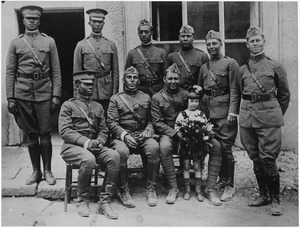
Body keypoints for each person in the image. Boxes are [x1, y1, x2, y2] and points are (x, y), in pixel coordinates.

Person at [6, 5, 61, 186]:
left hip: (45, 92)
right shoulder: (16, 43)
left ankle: (48, 170)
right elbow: (10, 72)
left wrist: (56, 95)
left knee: (45, 133)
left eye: (35, 19)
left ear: (39, 20)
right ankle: (35, 171)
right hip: (22, 93)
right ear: (23, 20)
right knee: (30, 134)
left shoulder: (49, 42)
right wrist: (10, 97)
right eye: (28, 18)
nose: (31, 21)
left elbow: (56, 71)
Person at [239, 26, 290, 216]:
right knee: (255, 156)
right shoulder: (243, 69)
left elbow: (284, 95)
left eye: (258, 40)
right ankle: (263, 195)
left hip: (269, 119)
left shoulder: (275, 66)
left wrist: (275, 114)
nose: (255, 43)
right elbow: (241, 93)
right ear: (247, 44)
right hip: (248, 119)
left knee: (268, 158)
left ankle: (276, 200)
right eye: (251, 41)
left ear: (264, 41)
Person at [59, 70, 121, 219]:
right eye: (86, 84)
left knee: (114, 156)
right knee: (88, 159)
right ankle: (82, 200)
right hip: (72, 147)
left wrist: (99, 141)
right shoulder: (68, 106)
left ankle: (104, 202)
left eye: (92, 84)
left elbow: (104, 129)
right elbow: (65, 131)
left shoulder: (98, 106)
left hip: (95, 146)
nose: (90, 87)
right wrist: (86, 142)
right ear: (76, 84)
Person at [195, 30, 240, 202]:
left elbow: (235, 90)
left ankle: (230, 185)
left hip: (224, 112)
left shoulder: (230, 63)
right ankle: (221, 179)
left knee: (226, 148)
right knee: (215, 147)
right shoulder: (204, 67)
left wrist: (233, 112)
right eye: (208, 44)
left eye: (215, 43)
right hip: (208, 112)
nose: (211, 47)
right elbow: (199, 90)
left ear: (221, 44)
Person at [107, 66, 160, 207]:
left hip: (142, 134)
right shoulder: (115, 99)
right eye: (129, 77)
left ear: (138, 80)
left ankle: (151, 189)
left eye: (135, 77)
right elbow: (111, 123)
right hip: (122, 136)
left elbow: (151, 119)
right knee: (122, 152)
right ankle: (123, 190)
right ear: (124, 80)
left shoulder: (146, 97)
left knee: (154, 147)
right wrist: (124, 135)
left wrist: (148, 130)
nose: (132, 80)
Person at [174, 87, 222, 205]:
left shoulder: (201, 114)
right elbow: (177, 128)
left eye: (196, 101)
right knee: (185, 167)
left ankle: (199, 191)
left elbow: (207, 128)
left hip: (197, 145)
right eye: (191, 101)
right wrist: (182, 137)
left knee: (197, 167)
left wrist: (204, 136)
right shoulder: (182, 114)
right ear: (187, 102)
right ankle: (187, 190)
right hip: (185, 144)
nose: (194, 104)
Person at [73, 8, 119, 113]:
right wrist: (77, 95)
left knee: (107, 121)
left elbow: (115, 72)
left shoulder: (110, 44)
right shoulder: (81, 45)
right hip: (88, 90)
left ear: (103, 23)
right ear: (89, 23)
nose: (97, 24)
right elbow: (76, 74)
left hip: (106, 90)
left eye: (100, 22)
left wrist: (115, 93)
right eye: (94, 21)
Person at [125, 19, 168, 97]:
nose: (143, 35)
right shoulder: (132, 54)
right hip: (138, 91)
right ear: (138, 34)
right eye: (141, 32)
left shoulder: (161, 52)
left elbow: (166, 76)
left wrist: (163, 94)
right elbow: (126, 78)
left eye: (146, 32)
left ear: (151, 33)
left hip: (157, 90)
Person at [167, 25, 209, 89]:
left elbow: (207, 79)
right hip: (178, 93)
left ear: (193, 37)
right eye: (183, 36)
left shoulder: (202, 56)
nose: (185, 39)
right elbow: (166, 78)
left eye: (188, 36)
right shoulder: (172, 57)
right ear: (179, 38)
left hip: (195, 93)